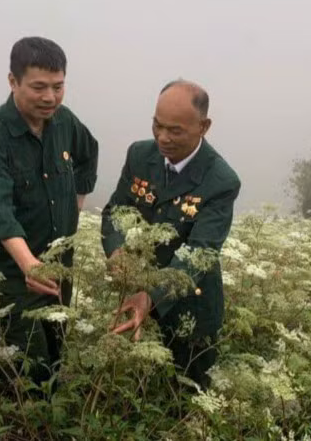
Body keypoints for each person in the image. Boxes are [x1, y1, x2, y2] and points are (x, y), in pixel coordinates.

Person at [0, 36, 99, 386]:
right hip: (11, 270)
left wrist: (77, 203)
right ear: (13, 81)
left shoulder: (65, 122)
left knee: (56, 351)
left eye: (58, 87)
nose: (50, 98)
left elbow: (89, 153)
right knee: (27, 365)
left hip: (58, 264)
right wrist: (30, 265)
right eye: (39, 87)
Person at [100, 79, 240, 390]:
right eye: (157, 125)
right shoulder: (139, 155)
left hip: (190, 312)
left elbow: (200, 252)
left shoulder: (221, 180)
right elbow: (115, 212)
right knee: (133, 392)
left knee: (184, 398)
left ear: (204, 126)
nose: (163, 137)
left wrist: (151, 297)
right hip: (135, 295)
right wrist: (116, 252)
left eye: (175, 131)